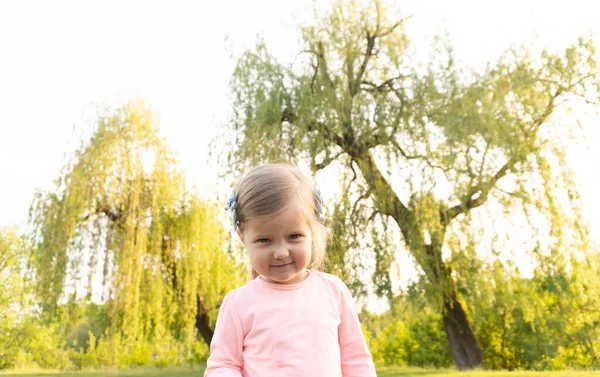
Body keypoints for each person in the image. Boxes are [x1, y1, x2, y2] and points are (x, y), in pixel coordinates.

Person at [204, 163, 376, 377]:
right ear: (242, 237)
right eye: (264, 240)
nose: (281, 253)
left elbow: (356, 361)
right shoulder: (239, 304)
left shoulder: (333, 291)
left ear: (312, 229)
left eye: (294, 236)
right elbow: (222, 365)